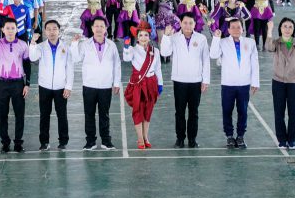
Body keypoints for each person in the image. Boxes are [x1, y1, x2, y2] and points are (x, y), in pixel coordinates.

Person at [160, 13, 211, 148]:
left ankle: (192, 139)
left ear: (195, 24)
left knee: (194, 112)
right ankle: (180, 139)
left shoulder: (201, 39)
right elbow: (164, 53)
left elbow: (206, 60)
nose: (188, 26)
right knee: (180, 112)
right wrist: (166, 36)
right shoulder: (173, 38)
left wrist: (205, 80)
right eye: (185, 23)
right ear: (181, 24)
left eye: (190, 23)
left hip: (196, 81)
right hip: (179, 81)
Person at [71, 16, 121, 151]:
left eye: (102, 26)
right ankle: (90, 141)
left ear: (106, 29)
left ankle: (106, 141)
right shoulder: (85, 44)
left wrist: (116, 83)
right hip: (89, 85)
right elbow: (75, 59)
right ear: (92, 28)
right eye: (96, 26)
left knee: (105, 114)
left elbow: (117, 65)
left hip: (105, 85)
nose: (99, 29)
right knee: (89, 114)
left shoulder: (112, 45)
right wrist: (74, 44)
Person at [210, 18, 259, 149]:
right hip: (228, 84)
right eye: (233, 27)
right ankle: (230, 136)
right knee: (227, 110)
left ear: (243, 29)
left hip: (244, 83)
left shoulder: (250, 42)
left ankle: (241, 136)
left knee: (243, 111)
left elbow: (254, 63)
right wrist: (216, 38)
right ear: (228, 30)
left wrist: (255, 82)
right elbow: (213, 55)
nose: (236, 30)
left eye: (239, 27)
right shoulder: (222, 42)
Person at [0, 18, 30, 153]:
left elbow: (27, 64)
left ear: (17, 29)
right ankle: (5, 143)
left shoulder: (23, 45)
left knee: (19, 115)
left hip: (18, 84)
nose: (10, 31)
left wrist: (27, 84)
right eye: (7, 28)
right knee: (2, 115)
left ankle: (18, 143)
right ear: (2, 30)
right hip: (1, 84)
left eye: (13, 28)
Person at [29, 20, 74, 150]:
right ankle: (44, 142)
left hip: (61, 87)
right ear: (45, 32)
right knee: (44, 115)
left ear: (59, 31)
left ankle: (63, 141)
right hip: (45, 87)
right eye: (48, 29)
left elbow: (69, 68)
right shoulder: (40, 47)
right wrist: (32, 43)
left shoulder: (66, 47)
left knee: (62, 115)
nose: (52, 32)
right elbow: (32, 57)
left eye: (54, 29)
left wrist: (68, 86)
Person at [265, 17, 295, 149]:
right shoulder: (276, 43)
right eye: (285, 26)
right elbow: (268, 47)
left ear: (293, 29)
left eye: (290, 27)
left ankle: (292, 140)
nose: (287, 29)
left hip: (294, 83)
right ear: (280, 28)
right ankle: (282, 140)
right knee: (279, 113)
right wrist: (269, 31)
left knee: (293, 113)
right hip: (278, 82)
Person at [122, 21, 161, 150]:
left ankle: (145, 137)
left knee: (148, 111)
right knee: (138, 111)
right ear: (137, 37)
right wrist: (126, 47)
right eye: (140, 35)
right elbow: (127, 58)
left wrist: (160, 83)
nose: (143, 38)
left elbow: (158, 69)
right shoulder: (133, 50)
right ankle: (139, 138)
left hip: (151, 84)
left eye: (146, 35)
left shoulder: (155, 51)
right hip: (138, 85)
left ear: (149, 37)